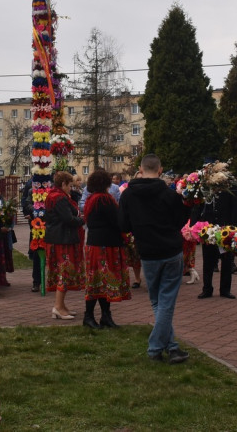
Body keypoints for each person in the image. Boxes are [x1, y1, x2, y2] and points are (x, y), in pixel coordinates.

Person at [118, 154, 191, 364]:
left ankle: (171, 347)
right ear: (160, 170)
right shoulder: (169, 195)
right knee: (165, 302)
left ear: (140, 169)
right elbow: (181, 220)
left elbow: (123, 224)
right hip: (170, 250)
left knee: (159, 302)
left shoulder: (129, 194)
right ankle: (158, 348)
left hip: (147, 252)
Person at [82, 170, 131, 329]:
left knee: (97, 281)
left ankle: (103, 316)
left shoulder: (92, 199)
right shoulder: (104, 199)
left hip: (95, 244)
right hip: (105, 245)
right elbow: (117, 221)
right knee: (100, 281)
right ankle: (91, 316)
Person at [191, 163, 237, 300]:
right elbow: (198, 206)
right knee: (208, 261)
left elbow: (235, 209)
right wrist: (194, 224)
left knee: (226, 261)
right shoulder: (204, 186)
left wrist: (234, 230)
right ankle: (207, 288)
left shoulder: (231, 186)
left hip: (225, 229)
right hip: (208, 229)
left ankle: (225, 289)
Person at [45, 170, 86, 319]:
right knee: (64, 272)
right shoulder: (60, 198)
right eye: (69, 185)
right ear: (62, 184)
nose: (71, 188)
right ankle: (57, 307)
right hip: (62, 239)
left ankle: (62, 306)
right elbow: (68, 219)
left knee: (63, 273)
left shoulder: (54, 196)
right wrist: (83, 219)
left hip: (58, 238)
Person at [19, 180, 42, 292]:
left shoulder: (50, 189)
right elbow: (27, 203)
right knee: (37, 254)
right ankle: (36, 282)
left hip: (50, 225)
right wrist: (35, 210)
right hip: (37, 225)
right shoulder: (32, 190)